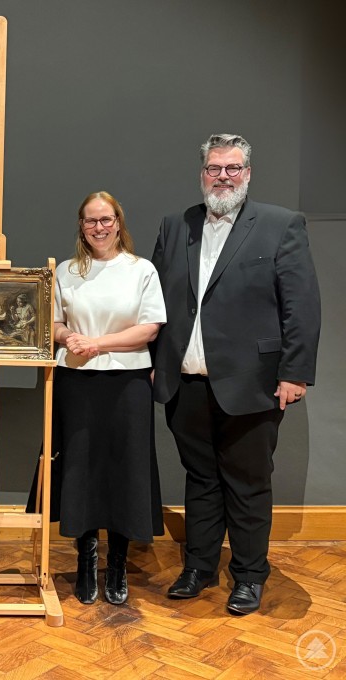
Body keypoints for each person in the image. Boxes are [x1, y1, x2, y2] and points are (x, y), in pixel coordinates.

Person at [151, 133, 321, 615]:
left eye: (233, 168)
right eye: (214, 168)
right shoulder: (176, 224)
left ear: (247, 173)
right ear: (201, 172)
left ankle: (249, 575)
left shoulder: (281, 225)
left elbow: (302, 306)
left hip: (254, 383)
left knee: (248, 483)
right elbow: (159, 302)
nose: (222, 176)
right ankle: (199, 567)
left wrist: (295, 372)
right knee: (200, 479)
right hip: (187, 381)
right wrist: (153, 362)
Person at [52, 191, 166, 605]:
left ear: (119, 222)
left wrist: (98, 343)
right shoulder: (65, 270)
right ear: (80, 226)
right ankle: (86, 560)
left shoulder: (142, 270)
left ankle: (117, 563)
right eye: (90, 221)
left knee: (124, 471)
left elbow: (149, 328)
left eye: (106, 219)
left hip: (128, 382)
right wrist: (69, 338)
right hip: (76, 380)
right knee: (81, 469)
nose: (98, 227)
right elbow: (54, 324)